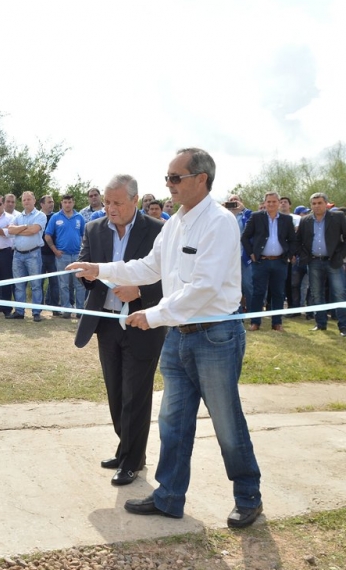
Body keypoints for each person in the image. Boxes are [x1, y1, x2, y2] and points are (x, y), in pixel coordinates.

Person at [70, 147, 263, 529]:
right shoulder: (175, 223)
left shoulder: (220, 222)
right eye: (167, 178)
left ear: (201, 179)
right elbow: (148, 267)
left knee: (226, 422)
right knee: (172, 422)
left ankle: (248, 497)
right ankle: (169, 496)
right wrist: (100, 268)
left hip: (215, 337)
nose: (168, 186)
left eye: (175, 178)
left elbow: (204, 287)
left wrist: (154, 315)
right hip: (178, 337)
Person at [72, 175, 166, 486]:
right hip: (107, 322)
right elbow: (87, 266)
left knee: (135, 394)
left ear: (135, 201)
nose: (109, 208)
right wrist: (85, 274)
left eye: (117, 203)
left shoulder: (158, 231)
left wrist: (140, 292)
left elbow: (172, 277)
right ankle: (125, 446)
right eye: (107, 202)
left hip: (143, 323)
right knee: (115, 392)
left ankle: (132, 461)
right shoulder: (93, 228)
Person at [241, 191, 297, 332]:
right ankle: (255, 322)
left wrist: (288, 255)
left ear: (278, 203)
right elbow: (245, 237)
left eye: (274, 201)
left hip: (280, 262)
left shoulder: (287, 219)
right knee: (258, 292)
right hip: (261, 262)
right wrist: (252, 254)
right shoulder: (256, 217)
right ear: (265, 203)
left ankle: (277, 323)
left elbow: (293, 240)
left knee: (278, 293)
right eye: (268, 201)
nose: (271, 204)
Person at [297, 192, 346, 336]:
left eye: (319, 203)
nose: (316, 206)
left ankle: (343, 326)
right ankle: (320, 324)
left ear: (326, 203)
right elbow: (298, 240)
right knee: (316, 294)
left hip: (333, 261)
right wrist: (304, 255)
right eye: (314, 203)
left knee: (339, 293)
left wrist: (341, 255)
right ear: (310, 205)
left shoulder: (337, 217)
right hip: (313, 262)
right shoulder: (305, 220)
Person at [6, 191, 47, 321]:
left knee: (35, 284)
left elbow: (34, 230)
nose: (26, 202)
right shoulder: (18, 217)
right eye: (24, 200)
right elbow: (10, 230)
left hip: (33, 254)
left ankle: (36, 312)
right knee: (18, 285)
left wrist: (19, 230)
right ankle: (19, 311)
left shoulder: (40, 215)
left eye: (29, 199)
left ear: (34, 201)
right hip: (17, 255)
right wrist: (24, 227)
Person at [44, 194, 85, 319]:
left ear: (73, 203)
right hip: (62, 256)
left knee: (80, 284)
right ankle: (66, 309)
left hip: (78, 256)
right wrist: (54, 250)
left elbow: (84, 236)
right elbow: (47, 235)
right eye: (65, 202)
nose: (67, 204)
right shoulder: (56, 217)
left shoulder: (80, 217)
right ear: (61, 203)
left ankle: (80, 310)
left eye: (70, 202)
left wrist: (84, 252)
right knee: (64, 284)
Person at [39, 195, 60, 312]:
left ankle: (55, 307)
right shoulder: (37, 216)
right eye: (49, 202)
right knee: (39, 282)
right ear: (42, 204)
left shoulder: (57, 217)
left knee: (54, 282)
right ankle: (39, 308)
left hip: (54, 254)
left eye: (52, 202)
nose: (51, 204)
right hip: (39, 254)